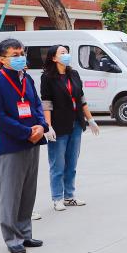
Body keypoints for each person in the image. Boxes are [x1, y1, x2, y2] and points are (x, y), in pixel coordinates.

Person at [0, 38, 48, 253]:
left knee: (28, 191)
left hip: (34, 140)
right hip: (12, 144)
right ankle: (12, 238)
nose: (21, 58)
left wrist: (41, 125)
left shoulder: (26, 78)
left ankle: (25, 233)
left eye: (22, 53)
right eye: (15, 55)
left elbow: (36, 104)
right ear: (2, 59)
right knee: (11, 193)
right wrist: (26, 133)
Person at [40, 45, 98, 211]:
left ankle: (69, 196)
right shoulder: (47, 77)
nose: (66, 55)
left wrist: (90, 119)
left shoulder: (74, 74)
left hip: (76, 123)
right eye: (62, 53)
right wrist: (48, 126)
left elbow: (81, 98)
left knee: (71, 164)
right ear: (54, 58)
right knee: (58, 165)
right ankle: (57, 198)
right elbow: (47, 103)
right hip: (58, 125)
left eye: (67, 52)